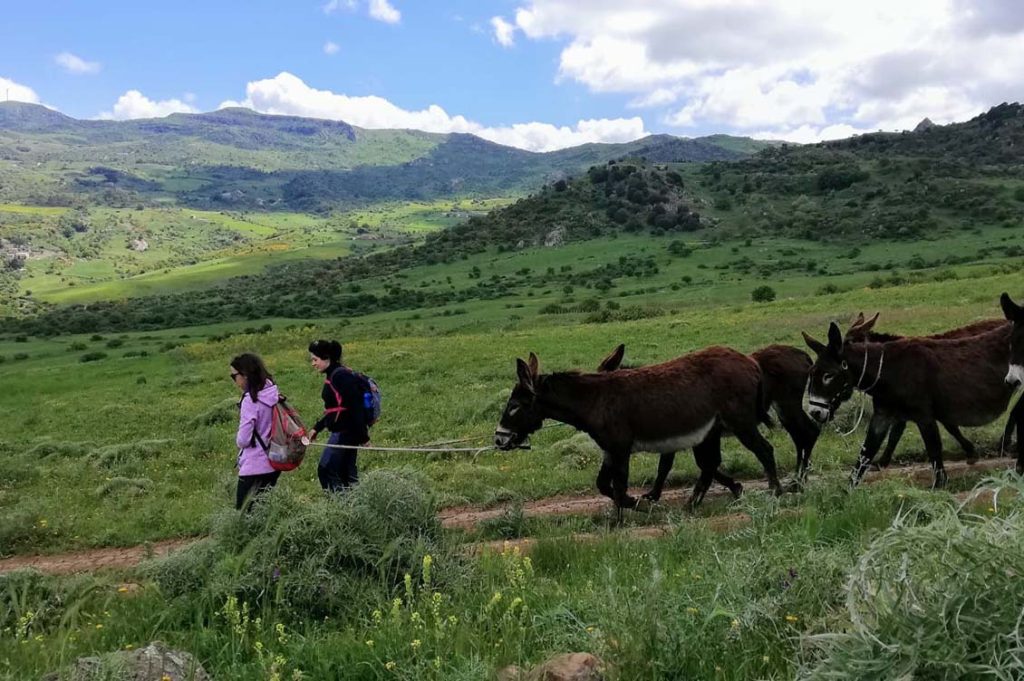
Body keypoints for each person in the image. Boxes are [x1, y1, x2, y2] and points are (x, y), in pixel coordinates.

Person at [307, 339, 369, 492]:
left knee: (327, 470)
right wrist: (317, 427)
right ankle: (356, 508)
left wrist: (364, 437)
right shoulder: (334, 374)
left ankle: (342, 509)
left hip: (345, 432)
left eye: (315, 359)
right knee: (346, 474)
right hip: (347, 432)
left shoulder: (340, 377)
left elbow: (355, 407)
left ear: (327, 358)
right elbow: (335, 408)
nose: (313, 364)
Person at [231, 353, 281, 511]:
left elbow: (243, 440)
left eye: (234, 376)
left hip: (254, 465)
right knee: (263, 512)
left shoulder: (250, 400)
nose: (234, 381)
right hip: (274, 461)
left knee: (244, 515)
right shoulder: (271, 391)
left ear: (245, 375)